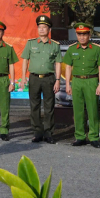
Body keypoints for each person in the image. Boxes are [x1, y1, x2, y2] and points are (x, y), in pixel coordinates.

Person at [63, 22, 100, 148]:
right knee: (78, 110)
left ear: (89, 34)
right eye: (79, 34)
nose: (82, 37)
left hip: (91, 81)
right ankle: (80, 137)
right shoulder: (72, 49)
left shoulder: (96, 49)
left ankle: (93, 137)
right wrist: (68, 84)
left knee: (92, 110)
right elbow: (68, 67)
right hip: (76, 81)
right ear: (76, 34)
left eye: (85, 34)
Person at [21, 15, 61, 144]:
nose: (42, 29)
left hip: (49, 78)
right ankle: (37, 132)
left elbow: (58, 63)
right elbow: (25, 60)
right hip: (34, 78)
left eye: (44, 27)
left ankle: (48, 133)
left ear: (49, 29)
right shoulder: (31, 43)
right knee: (34, 106)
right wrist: (23, 78)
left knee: (49, 106)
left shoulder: (54, 45)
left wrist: (58, 80)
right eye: (40, 27)